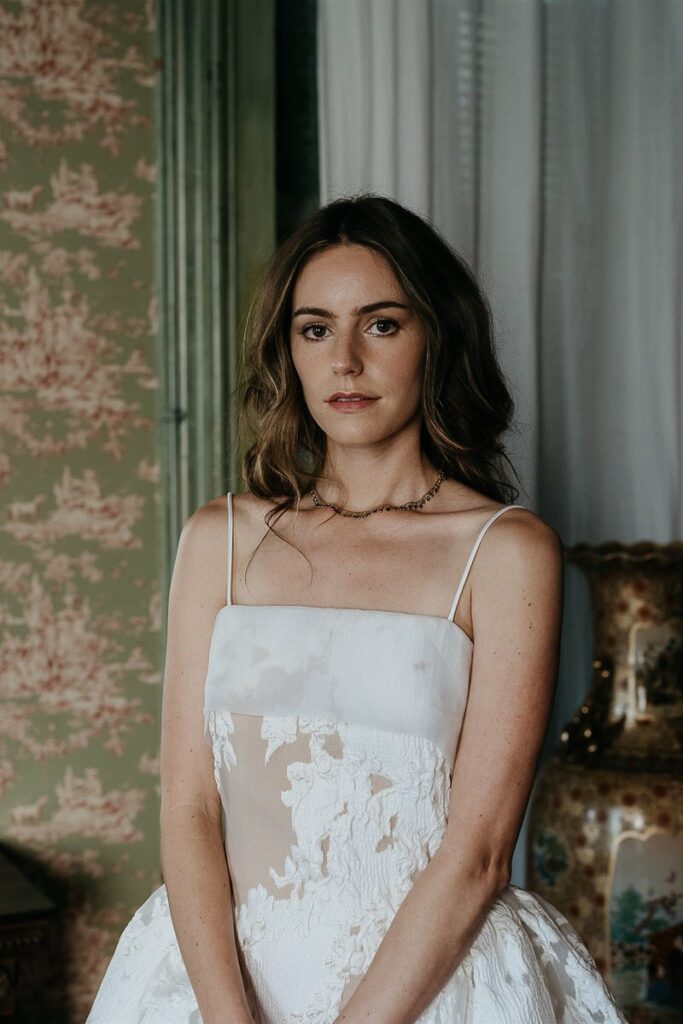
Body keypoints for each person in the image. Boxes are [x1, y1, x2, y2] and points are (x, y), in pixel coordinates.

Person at [86, 194, 629, 1023]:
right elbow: (189, 808)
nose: (344, 359)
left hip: (427, 984)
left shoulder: (504, 551)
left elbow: (479, 852)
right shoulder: (219, 539)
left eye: (379, 324)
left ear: (434, 339)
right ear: (288, 351)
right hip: (212, 978)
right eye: (314, 329)